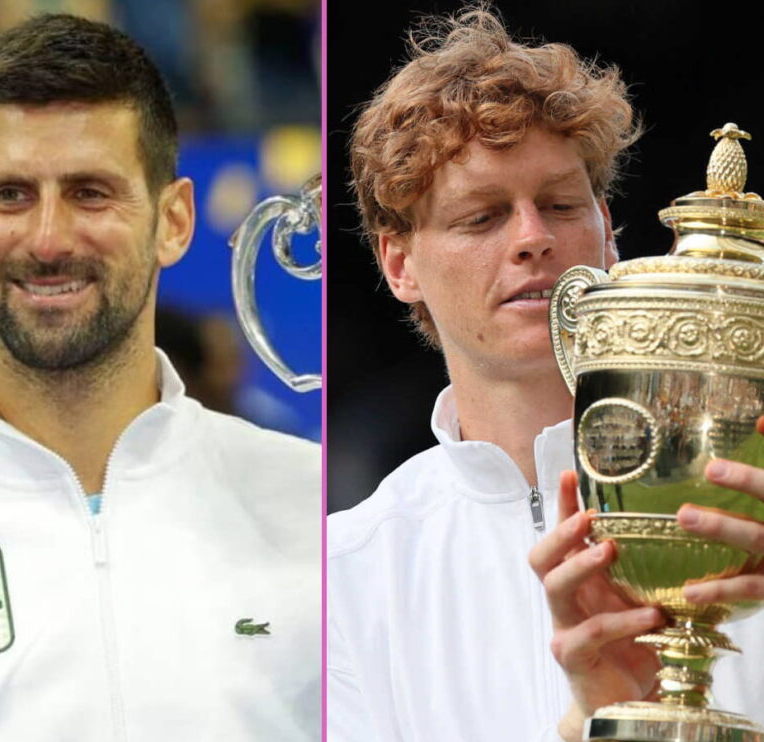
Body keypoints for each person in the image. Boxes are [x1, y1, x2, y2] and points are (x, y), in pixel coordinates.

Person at [326, 7, 764, 741]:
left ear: (608, 233)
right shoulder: (348, 575)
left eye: (559, 205)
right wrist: (589, 724)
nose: (533, 238)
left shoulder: (742, 498)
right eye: (482, 216)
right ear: (399, 262)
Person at [0, 14, 321, 741]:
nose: (48, 238)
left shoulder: (309, 507)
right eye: (11, 195)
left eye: (90, 192)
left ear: (173, 220)